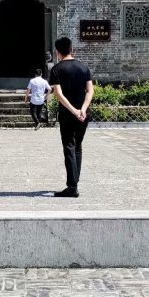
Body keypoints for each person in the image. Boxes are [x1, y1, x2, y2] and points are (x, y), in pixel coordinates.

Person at [48, 36, 94, 197]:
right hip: (84, 114)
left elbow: (59, 95)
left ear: (57, 52)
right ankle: (75, 182)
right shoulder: (83, 67)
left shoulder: (56, 69)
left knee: (69, 147)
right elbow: (90, 91)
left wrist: (74, 111)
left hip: (68, 115)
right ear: (72, 49)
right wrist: (82, 109)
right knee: (78, 147)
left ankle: (72, 187)